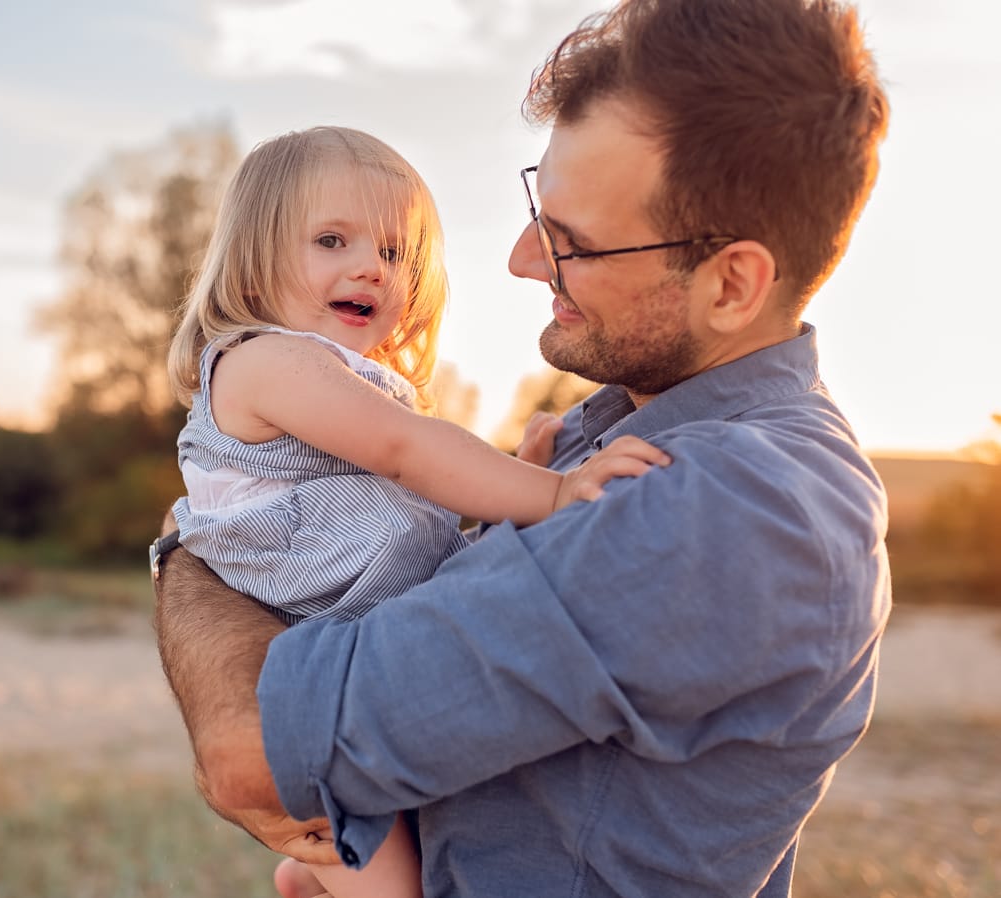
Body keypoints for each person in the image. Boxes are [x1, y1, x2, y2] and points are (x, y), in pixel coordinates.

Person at [153, 0, 892, 895]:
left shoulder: (725, 504)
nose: (520, 260)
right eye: (536, 213)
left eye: (569, 242)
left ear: (732, 284)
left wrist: (188, 559)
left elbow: (257, 753)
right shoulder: (608, 431)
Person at [163, 124, 668, 898]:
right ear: (254, 270)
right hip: (313, 665)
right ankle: (327, 871)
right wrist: (554, 492)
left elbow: (402, 522)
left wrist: (508, 497)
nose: (370, 264)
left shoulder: (341, 378)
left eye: (395, 252)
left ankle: (318, 877)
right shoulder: (266, 361)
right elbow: (408, 452)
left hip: (355, 641)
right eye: (331, 239)